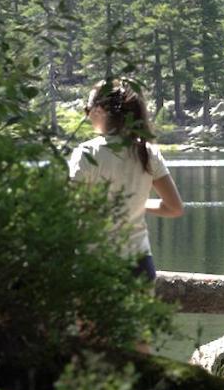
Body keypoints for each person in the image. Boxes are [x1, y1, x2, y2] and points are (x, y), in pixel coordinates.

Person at [68, 79, 184, 281]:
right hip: (139, 264)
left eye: (88, 109)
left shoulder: (87, 153)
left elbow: (66, 208)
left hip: (95, 262)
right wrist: (137, 204)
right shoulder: (147, 151)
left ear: (100, 110)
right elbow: (174, 208)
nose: (87, 116)